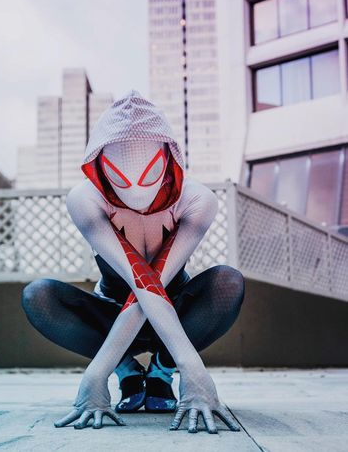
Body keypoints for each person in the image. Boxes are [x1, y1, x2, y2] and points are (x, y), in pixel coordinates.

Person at [22, 90, 244, 433]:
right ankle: (127, 370)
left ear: (168, 159)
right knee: (38, 296)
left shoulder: (198, 200)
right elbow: (141, 283)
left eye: (149, 172)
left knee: (228, 282)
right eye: (121, 175)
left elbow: (151, 284)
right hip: (111, 316)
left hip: (175, 314)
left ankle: (159, 370)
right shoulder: (85, 199)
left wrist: (187, 366)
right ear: (99, 167)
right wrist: (105, 371)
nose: (137, 189)